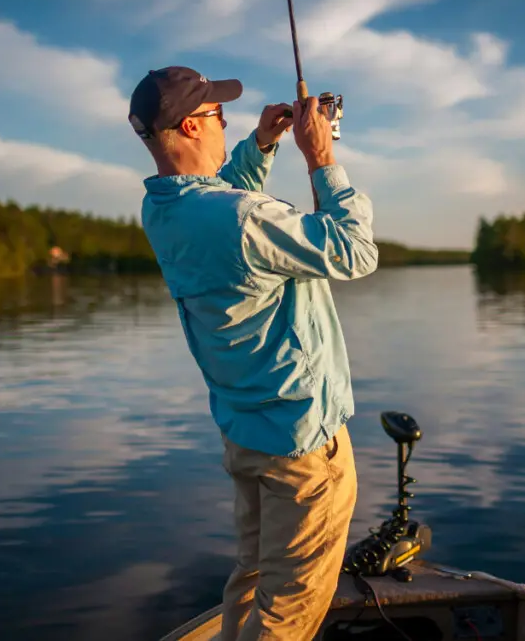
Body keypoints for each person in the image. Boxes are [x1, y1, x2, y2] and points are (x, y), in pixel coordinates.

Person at [128, 66, 378, 640]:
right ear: (192, 125)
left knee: (254, 576)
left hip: (246, 436)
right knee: (287, 611)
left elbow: (220, 196)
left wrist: (262, 145)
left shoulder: (163, 209)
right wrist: (320, 158)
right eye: (218, 114)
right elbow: (354, 252)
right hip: (301, 445)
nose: (226, 122)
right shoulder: (242, 219)